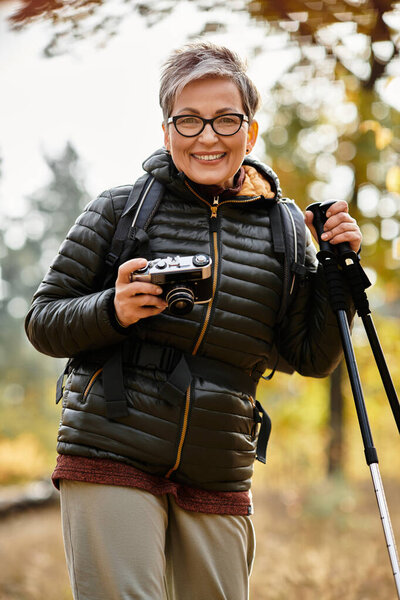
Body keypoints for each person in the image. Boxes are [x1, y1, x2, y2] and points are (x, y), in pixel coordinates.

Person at [25, 41, 362, 600]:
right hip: (112, 447)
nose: (208, 137)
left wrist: (338, 275)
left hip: (219, 464)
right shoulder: (120, 209)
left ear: (249, 133)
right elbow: (43, 321)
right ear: (166, 130)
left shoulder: (283, 230)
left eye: (226, 120)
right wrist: (112, 308)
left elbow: (312, 357)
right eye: (189, 120)